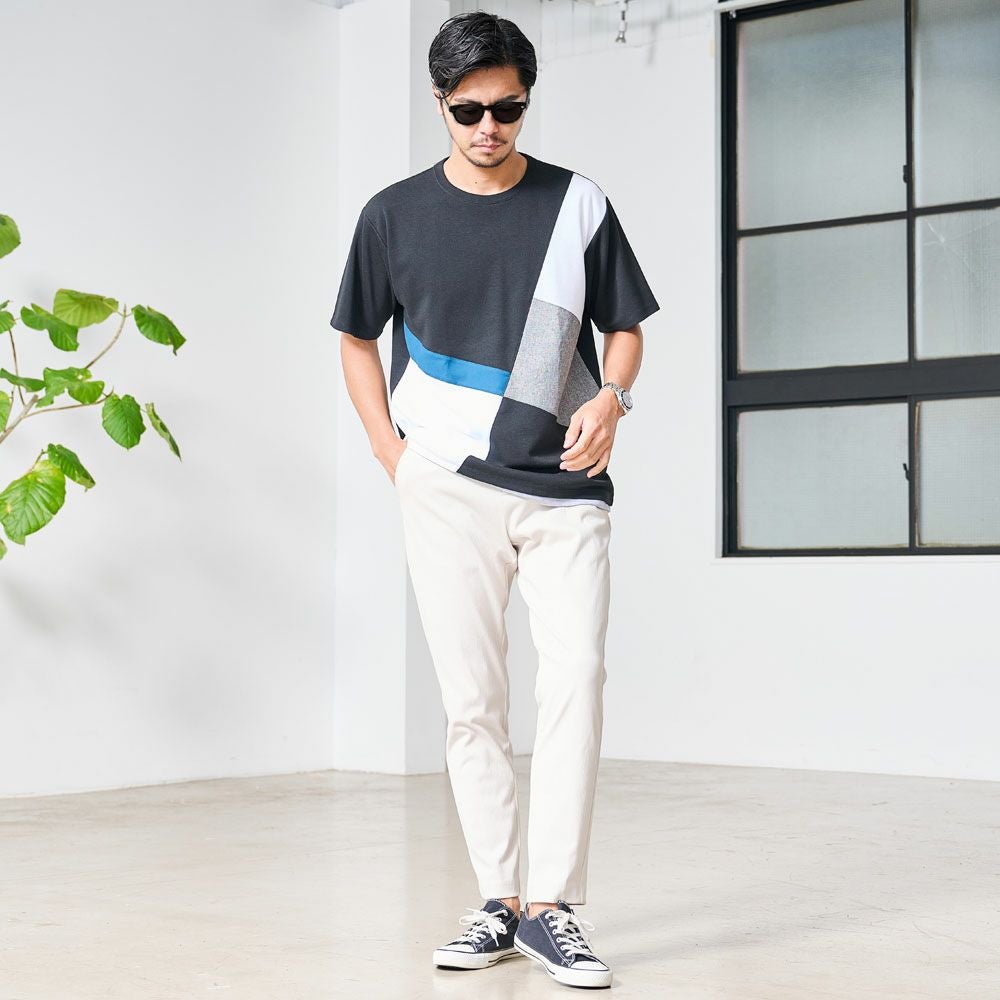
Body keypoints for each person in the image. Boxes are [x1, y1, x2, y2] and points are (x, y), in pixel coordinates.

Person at [331, 10, 659, 990]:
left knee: (576, 677)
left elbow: (627, 326)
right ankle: (498, 902)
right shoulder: (391, 216)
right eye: (469, 110)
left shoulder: (577, 204)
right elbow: (354, 337)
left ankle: (552, 907)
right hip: (443, 484)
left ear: (526, 100)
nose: (489, 127)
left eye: (508, 108)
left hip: (564, 484)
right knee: (472, 700)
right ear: (439, 103)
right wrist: (390, 452)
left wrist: (611, 396)